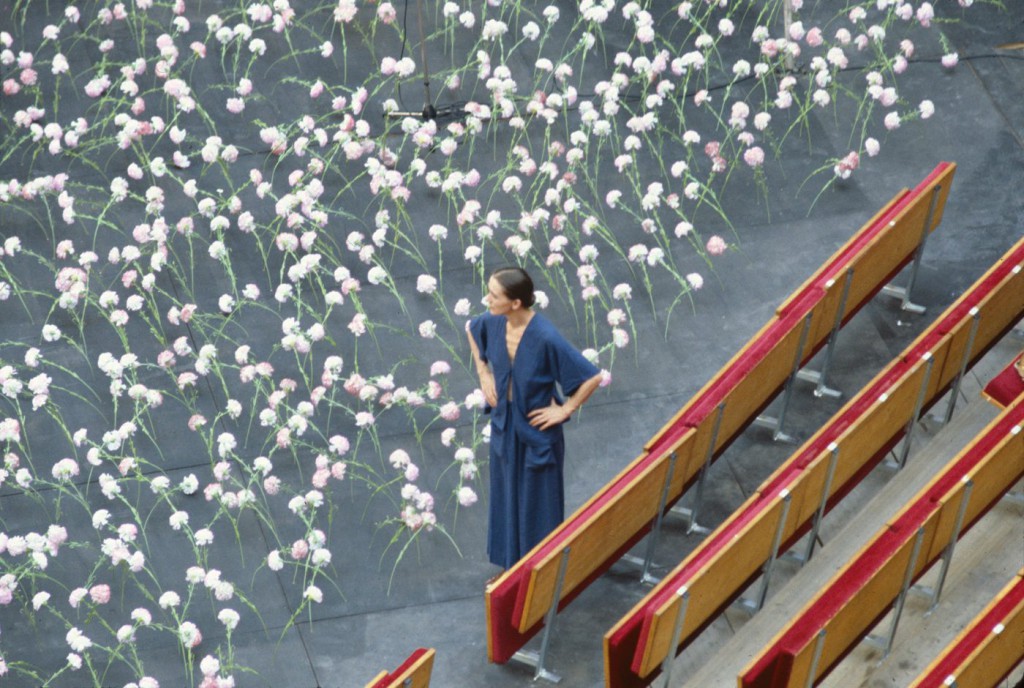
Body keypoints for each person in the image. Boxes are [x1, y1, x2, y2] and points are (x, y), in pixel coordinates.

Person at [467, 267, 603, 570]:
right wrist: (483, 373)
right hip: (505, 427)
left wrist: (565, 409)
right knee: (506, 497)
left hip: (537, 432)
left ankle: (540, 577)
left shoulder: (545, 337)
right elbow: (472, 331)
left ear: (515, 303)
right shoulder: (492, 322)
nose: (487, 298)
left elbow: (591, 377)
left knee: (538, 505)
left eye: (494, 295)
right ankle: (510, 570)